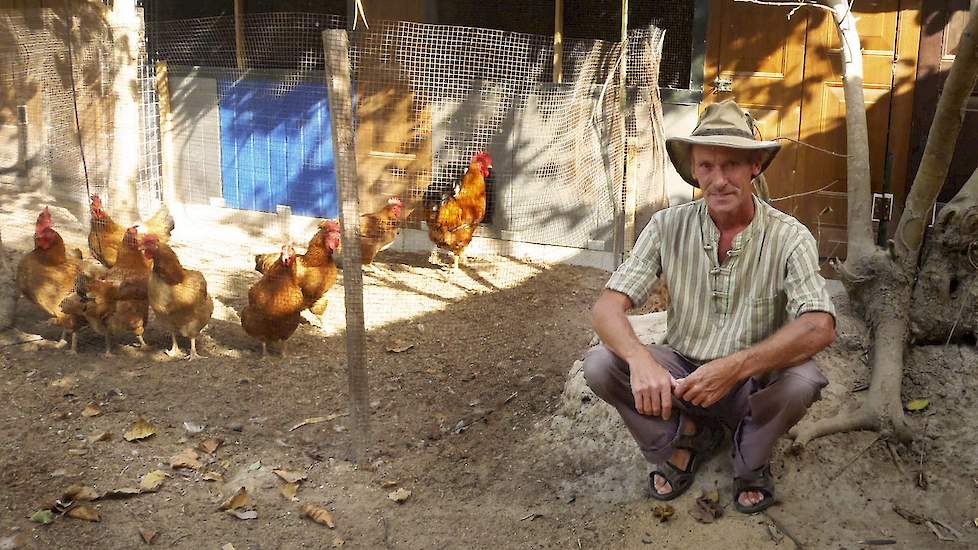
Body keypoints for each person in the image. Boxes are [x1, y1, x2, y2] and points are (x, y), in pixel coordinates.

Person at [583, 100, 837, 514]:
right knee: (599, 365)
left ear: (755, 165)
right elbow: (607, 308)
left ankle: (750, 459)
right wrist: (641, 362)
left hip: (752, 380)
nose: (718, 180)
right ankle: (683, 438)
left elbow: (820, 327)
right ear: (695, 170)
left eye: (731, 165)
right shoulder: (668, 226)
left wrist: (735, 367)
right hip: (682, 375)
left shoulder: (790, 237)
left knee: (802, 381)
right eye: (706, 167)